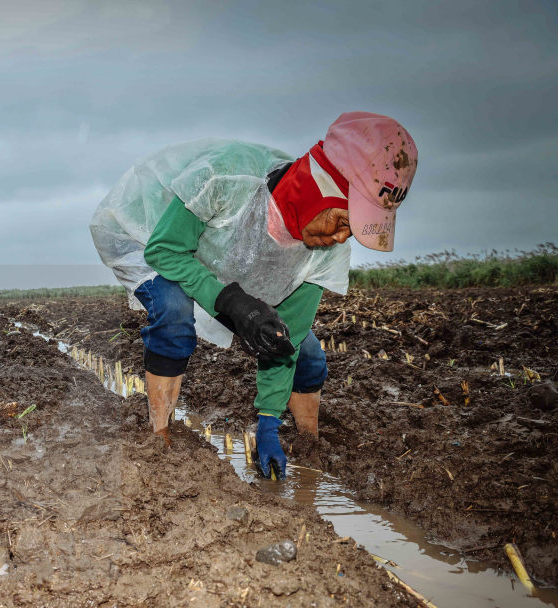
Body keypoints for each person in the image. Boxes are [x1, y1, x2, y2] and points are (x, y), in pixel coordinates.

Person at [90, 112, 417, 479]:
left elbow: (287, 336)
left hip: (223, 264)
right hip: (152, 238)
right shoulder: (225, 176)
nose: (342, 237)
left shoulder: (327, 248)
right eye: (342, 221)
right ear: (318, 187)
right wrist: (231, 302)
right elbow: (165, 250)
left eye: (352, 231)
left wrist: (267, 425)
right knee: (173, 311)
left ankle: (309, 444)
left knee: (307, 355)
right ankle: (159, 438)